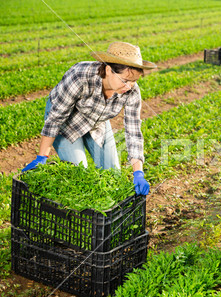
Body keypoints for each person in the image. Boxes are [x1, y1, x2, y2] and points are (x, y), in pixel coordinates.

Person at [22, 41, 156, 196]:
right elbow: (56, 117)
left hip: (96, 123)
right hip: (67, 123)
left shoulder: (131, 92)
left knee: (113, 175)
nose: (129, 86)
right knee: (80, 174)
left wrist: (138, 173)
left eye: (134, 81)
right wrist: (42, 156)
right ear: (108, 69)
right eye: (125, 80)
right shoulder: (80, 75)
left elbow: (133, 132)